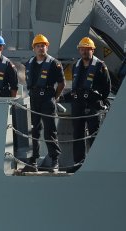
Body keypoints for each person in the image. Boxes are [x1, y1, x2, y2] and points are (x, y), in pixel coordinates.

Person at [65, 37, 111, 172]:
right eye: (82, 49)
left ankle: (95, 165)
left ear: (93, 50)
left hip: (93, 105)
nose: (84, 52)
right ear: (79, 50)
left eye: (87, 49)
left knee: (93, 134)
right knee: (77, 135)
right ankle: (78, 164)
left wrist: (99, 100)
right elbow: (75, 87)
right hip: (78, 105)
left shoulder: (100, 66)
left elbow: (106, 87)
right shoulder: (76, 65)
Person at [24, 34, 64, 172]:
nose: (41, 48)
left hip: (47, 99)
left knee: (49, 131)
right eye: (38, 46)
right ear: (34, 48)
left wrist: (55, 97)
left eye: (43, 45)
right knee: (34, 130)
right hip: (34, 98)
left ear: (47, 47)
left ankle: (54, 159)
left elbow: (61, 83)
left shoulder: (54, 63)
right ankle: (34, 159)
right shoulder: (30, 63)